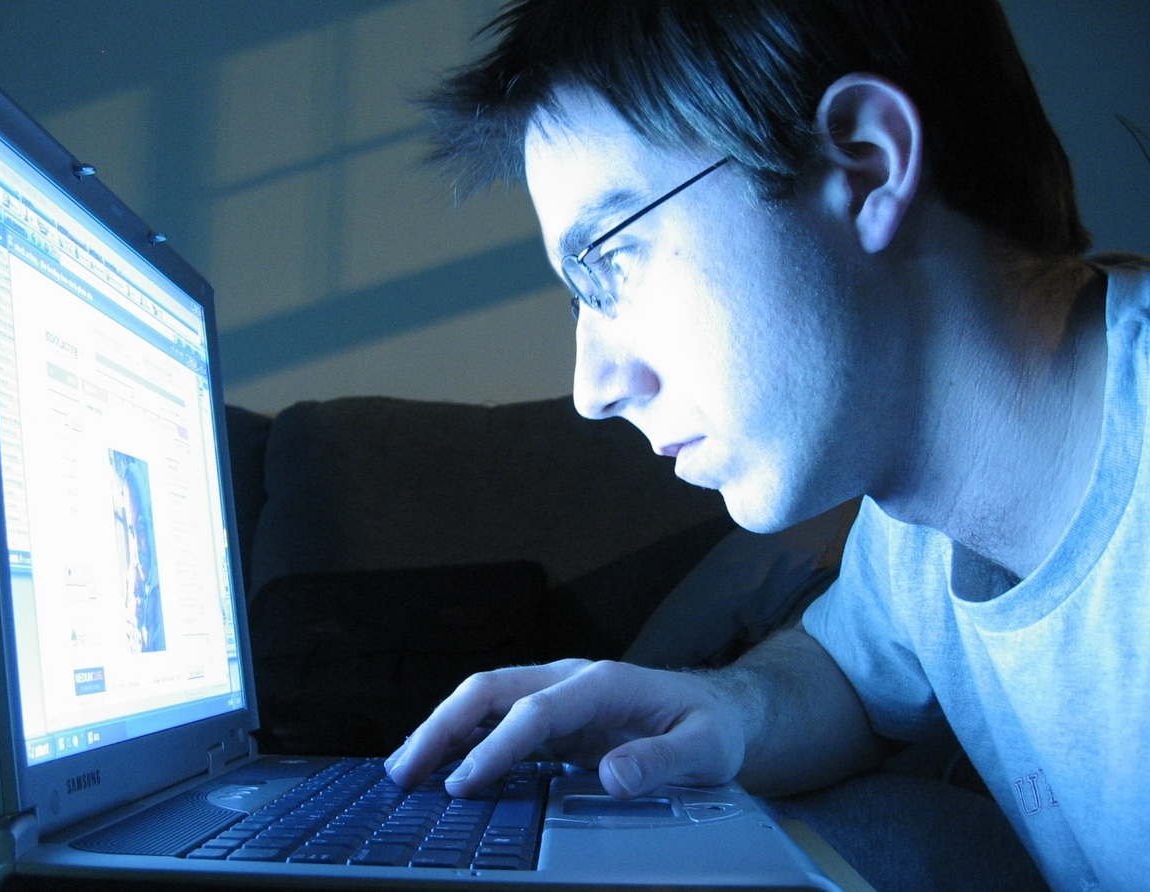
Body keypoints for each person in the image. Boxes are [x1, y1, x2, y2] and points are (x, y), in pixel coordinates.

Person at [382, 1, 1149, 890]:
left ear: (865, 164)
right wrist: (722, 708)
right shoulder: (913, 532)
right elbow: (846, 676)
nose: (592, 390)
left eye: (610, 262)